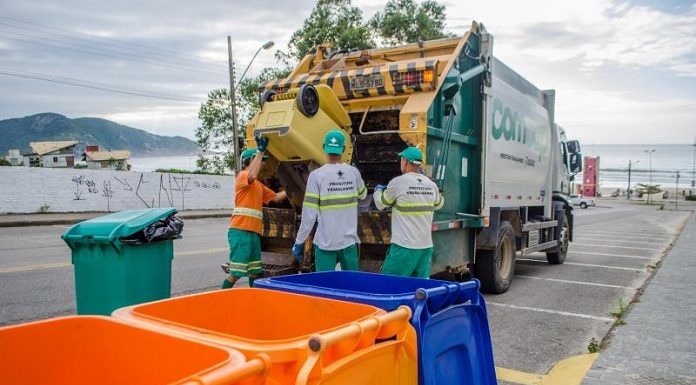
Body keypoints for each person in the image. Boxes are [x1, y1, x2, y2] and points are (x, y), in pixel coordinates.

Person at [292, 129, 367, 271]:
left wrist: (299, 241)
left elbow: (309, 216)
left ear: (324, 147)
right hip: (348, 244)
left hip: (325, 245)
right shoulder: (353, 172)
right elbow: (363, 195)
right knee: (352, 286)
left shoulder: (316, 176)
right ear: (343, 149)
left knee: (324, 289)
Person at [221, 135, 287, 288]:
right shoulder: (243, 176)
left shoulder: (258, 185)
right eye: (262, 160)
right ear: (251, 160)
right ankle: (223, 300)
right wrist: (260, 151)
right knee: (236, 273)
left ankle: (253, 299)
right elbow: (252, 174)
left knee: (255, 272)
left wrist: (294, 188)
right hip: (241, 232)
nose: (264, 164)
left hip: (253, 234)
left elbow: (276, 197)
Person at [373, 146, 444, 278]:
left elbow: (380, 204)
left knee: (389, 284)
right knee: (420, 289)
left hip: (404, 248)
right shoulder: (431, 185)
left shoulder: (398, 183)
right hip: (425, 248)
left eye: (401, 159)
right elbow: (439, 204)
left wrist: (378, 190)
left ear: (405, 161)